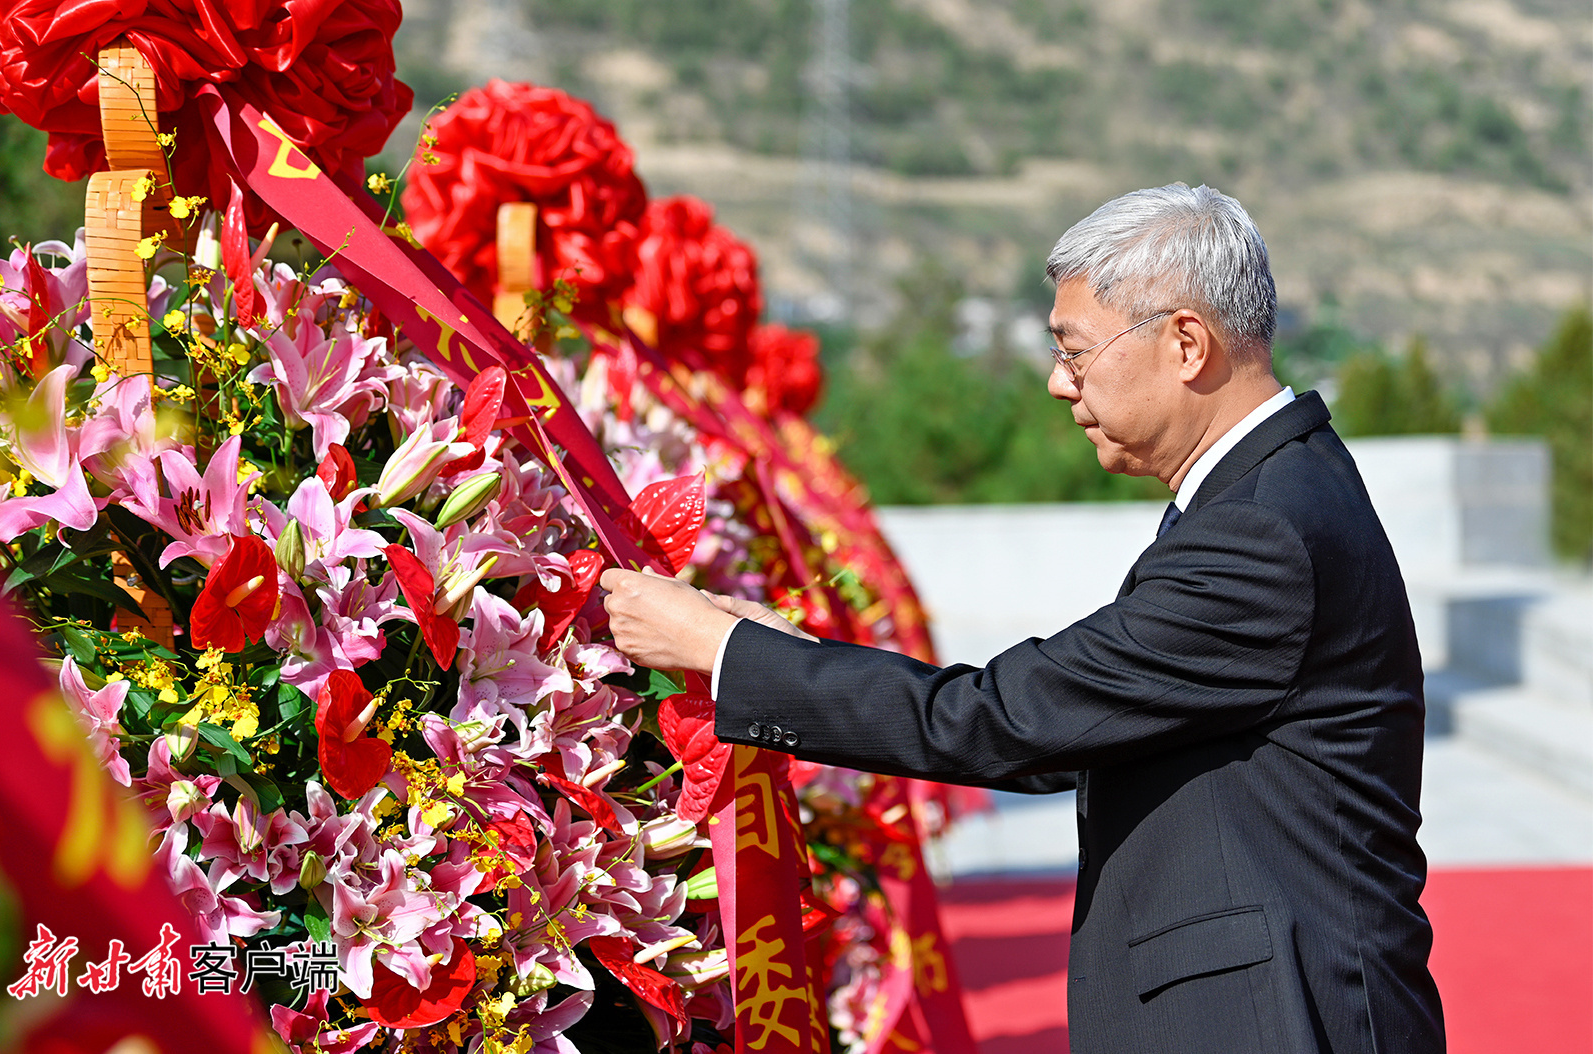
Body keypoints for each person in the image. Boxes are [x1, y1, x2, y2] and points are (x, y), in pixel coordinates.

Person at [601, 183, 1446, 1054]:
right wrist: (783, 650)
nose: (1056, 383)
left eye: (1075, 353)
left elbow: (1010, 721)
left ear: (1186, 344)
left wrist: (724, 652)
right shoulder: (1268, 493)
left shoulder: (1261, 532)